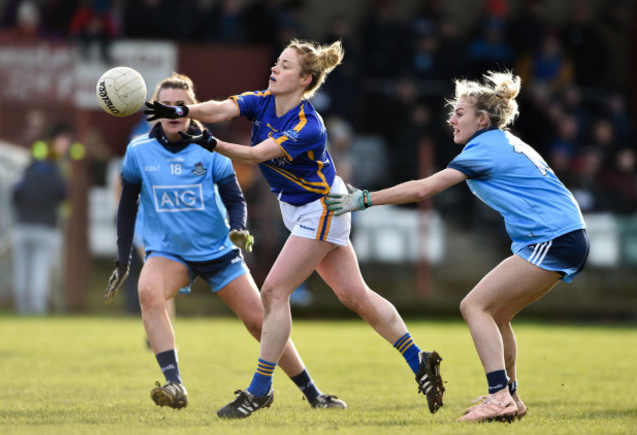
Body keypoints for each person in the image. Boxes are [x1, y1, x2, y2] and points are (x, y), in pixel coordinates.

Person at [143, 39, 445, 419]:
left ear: (305, 79)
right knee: (356, 296)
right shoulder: (262, 100)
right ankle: (419, 360)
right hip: (304, 209)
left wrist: (207, 140)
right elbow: (220, 107)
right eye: (276, 62)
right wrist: (182, 109)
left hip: (322, 208)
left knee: (273, 291)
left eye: (284, 66)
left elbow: (255, 155)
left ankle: (259, 390)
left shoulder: (308, 126)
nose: (274, 69)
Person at [325, 71, 590, 423]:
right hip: (561, 236)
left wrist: (365, 199)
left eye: (460, 113)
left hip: (554, 237)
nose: (451, 119)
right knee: (497, 314)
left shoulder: (485, 148)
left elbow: (424, 189)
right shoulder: (500, 141)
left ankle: (499, 397)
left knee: (473, 305)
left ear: (482, 119)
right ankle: (510, 396)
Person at [104, 72, 346, 411]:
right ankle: (174, 383)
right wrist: (122, 257)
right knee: (149, 291)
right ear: (157, 111)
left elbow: (235, 198)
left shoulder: (210, 148)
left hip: (218, 250)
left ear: (192, 111)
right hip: (170, 252)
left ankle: (313, 393)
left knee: (260, 322)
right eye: (167, 106)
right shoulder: (139, 152)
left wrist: (238, 227)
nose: (175, 112)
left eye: (182, 106)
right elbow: (127, 204)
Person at [11, 123, 69, 315]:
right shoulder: (56, 177)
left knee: (22, 271)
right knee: (39, 271)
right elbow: (63, 197)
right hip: (46, 228)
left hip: (22, 226)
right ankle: (36, 310)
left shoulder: (27, 174)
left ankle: (22, 309)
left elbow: (15, 195)